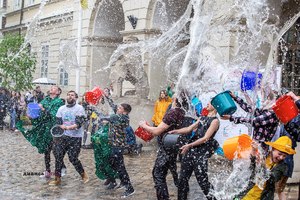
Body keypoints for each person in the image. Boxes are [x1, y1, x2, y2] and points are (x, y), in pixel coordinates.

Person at [139, 93, 186, 200]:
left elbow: (158, 129)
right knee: (172, 171)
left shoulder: (172, 112)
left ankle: (164, 198)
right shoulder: (182, 112)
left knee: (158, 174)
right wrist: (152, 135)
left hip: (167, 146)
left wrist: (144, 126)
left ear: (175, 99)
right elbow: (164, 129)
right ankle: (182, 189)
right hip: (173, 145)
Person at [169, 100, 219, 200]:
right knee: (182, 180)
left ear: (216, 106)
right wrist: (176, 131)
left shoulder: (215, 121)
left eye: (210, 103)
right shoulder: (202, 118)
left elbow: (205, 138)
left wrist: (189, 145)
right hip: (190, 151)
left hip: (201, 153)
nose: (207, 104)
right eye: (208, 102)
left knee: (202, 181)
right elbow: (189, 129)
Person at [17, 86, 65, 178]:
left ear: (58, 92)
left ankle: (62, 168)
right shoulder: (45, 100)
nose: (51, 89)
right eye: (51, 88)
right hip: (44, 129)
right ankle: (47, 171)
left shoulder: (58, 102)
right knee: (46, 150)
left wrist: (43, 109)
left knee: (55, 151)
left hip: (52, 129)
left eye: (54, 88)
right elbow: (39, 114)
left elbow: (54, 115)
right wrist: (33, 116)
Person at [93, 102, 135, 198]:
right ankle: (124, 182)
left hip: (118, 147)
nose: (117, 109)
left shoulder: (119, 117)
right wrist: (107, 97)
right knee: (112, 164)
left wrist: (93, 108)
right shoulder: (122, 116)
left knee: (120, 167)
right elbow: (114, 106)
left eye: (120, 108)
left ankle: (130, 188)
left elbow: (102, 116)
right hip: (115, 146)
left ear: (124, 112)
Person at [50, 90, 89, 185]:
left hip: (75, 137)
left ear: (75, 98)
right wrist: (57, 135)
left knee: (73, 158)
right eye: (68, 95)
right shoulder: (61, 109)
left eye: (72, 95)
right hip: (63, 137)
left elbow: (79, 124)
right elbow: (58, 123)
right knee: (58, 157)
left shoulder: (79, 108)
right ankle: (57, 178)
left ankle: (83, 174)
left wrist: (67, 127)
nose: (69, 96)